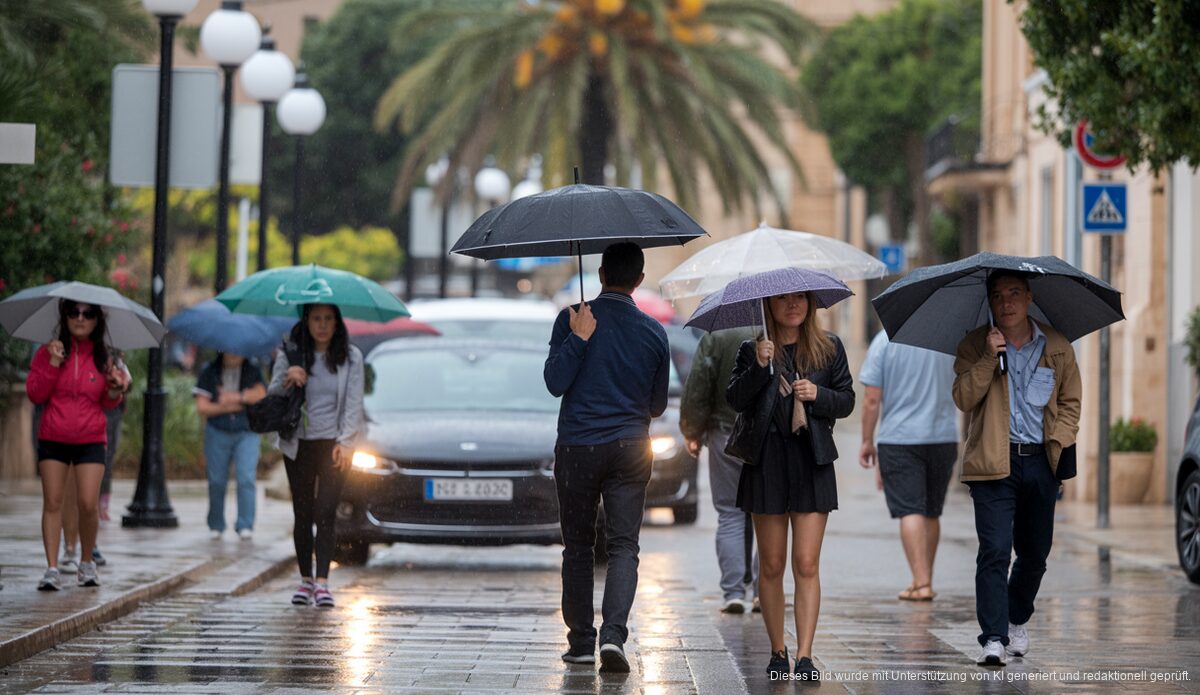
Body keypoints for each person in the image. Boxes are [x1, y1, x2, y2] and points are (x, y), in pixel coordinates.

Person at [544, 242, 670, 673]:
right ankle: (613, 636)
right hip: (630, 450)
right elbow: (657, 406)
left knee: (578, 546)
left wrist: (580, 340)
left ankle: (581, 642)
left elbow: (555, 382)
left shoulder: (572, 319)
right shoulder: (654, 332)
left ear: (600, 274)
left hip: (577, 448)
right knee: (623, 546)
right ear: (639, 279)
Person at [952, 271, 1080, 667]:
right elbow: (963, 398)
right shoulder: (975, 344)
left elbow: (1071, 402)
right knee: (994, 550)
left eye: (1013, 294)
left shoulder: (1056, 346)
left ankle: (1016, 616)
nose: (1005, 303)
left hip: (1041, 460)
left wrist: (1059, 439)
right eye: (997, 296)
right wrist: (988, 358)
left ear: (1029, 297)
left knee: (1035, 553)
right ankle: (993, 637)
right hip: (993, 461)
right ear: (990, 302)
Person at [726, 292, 854, 682]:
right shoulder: (752, 349)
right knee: (771, 564)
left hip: (811, 460)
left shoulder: (829, 347)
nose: (792, 304)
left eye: (799, 297)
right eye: (782, 298)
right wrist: (759, 366)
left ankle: (805, 656)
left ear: (811, 303)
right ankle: (778, 651)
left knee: (807, 563)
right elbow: (735, 399)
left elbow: (846, 400)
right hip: (767, 461)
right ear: (768, 305)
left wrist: (819, 395)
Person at [26, 300, 130, 590]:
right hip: (53, 437)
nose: (80, 318)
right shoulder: (47, 353)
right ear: (65, 317)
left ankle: (86, 562)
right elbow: (35, 394)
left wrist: (114, 390)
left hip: (90, 439)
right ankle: (51, 568)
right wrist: (53, 364)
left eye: (88, 313)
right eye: (74, 312)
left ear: (97, 320)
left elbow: (108, 401)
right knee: (53, 502)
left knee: (87, 503)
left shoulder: (103, 357)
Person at [269, 303, 365, 609]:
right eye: (316, 319)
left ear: (337, 323)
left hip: (333, 445)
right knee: (303, 512)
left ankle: (323, 582)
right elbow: (273, 396)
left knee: (326, 511)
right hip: (298, 443)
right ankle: (305, 580)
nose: (322, 325)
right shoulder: (290, 355)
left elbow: (354, 403)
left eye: (328, 319)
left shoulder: (351, 357)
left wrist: (346, 442)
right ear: (306, 322)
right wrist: (288, 377)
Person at [859, 330, 959, 601]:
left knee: (910, 510)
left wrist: (867, 440)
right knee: (932, 511)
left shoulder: (884, 341)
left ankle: (921, 582)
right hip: (943, 436)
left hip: (900, 437)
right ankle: (925, 579)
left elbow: (871, 399)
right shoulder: (947, 340)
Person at [679, 326, 759, 614]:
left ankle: (734, 592)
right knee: (768, 515)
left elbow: (699, 384)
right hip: (768, 436)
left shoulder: (718, 335)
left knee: (730, 513)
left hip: (726, 433)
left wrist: (692, 430)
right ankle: (764, 592)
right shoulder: (775, 328)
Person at [194, 352, 267, 540]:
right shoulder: (210, 371)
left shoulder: (252, 370)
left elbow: (261, 395)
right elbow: (202, 407)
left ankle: (245, 524)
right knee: (216, 480)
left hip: (247, 430)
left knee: (246, 478)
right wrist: (233, 405)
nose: (233, 353)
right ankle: (216, 523)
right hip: (217, 431)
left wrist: (234, 397)